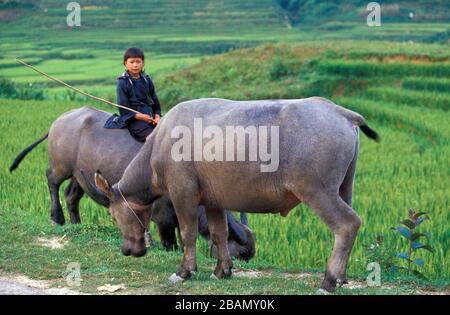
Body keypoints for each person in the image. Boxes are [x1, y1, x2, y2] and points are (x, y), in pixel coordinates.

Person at [104, 47, 161, 142]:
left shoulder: (147, 80)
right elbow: (123, 109)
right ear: (125, 63)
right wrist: (139, 116)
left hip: (151, 117)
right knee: (153, 139)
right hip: (134, 119)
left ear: (143, 63)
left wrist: (157, 116)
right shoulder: (123, 83)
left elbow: (155, 101)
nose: (135, 65)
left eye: (138, 62)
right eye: (132, 62)